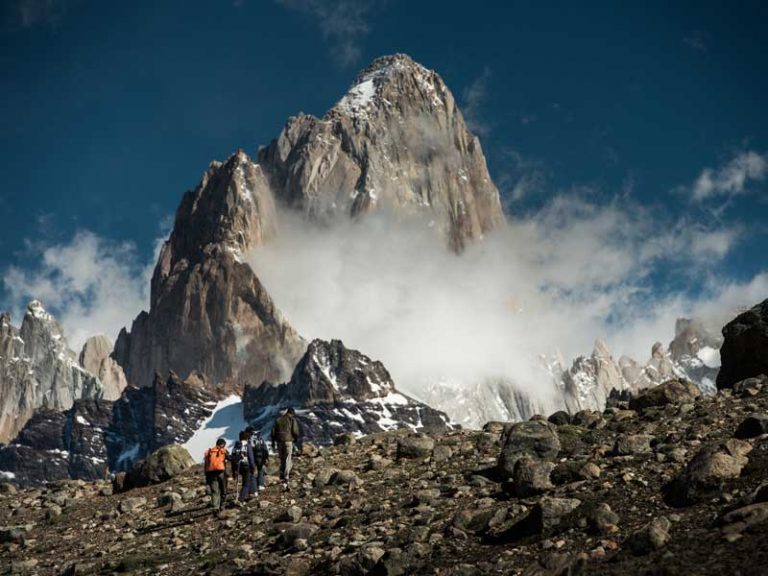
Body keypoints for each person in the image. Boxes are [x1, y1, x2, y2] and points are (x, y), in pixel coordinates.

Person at [271, 407, 301, 490]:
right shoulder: (291, 419)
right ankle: (286, 476)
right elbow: (295, 431)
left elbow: (273, 432)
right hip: (288, 440)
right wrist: (296, 438)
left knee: (282, 458)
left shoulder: (278, 419)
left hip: (279, 441)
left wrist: (273, 442)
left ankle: (281, 474)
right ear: (292, 413)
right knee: (288, 458)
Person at [203, 438, 229, 513]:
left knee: (215, 491)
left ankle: (215, 507)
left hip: (211, 474)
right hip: (221, 473)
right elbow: (230, 458)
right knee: (223, 490)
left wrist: (207, 476)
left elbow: (206, 465)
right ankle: (222, 506)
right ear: (223, 444)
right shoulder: (224, 451)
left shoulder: (210, 452)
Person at [232, 430, 255, 504]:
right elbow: (251, 458)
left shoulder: (236, 446)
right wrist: (253, 467)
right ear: (247, 438)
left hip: (238, 465)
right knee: (246, 483)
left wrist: (234, 471)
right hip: (246, 465)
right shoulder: (247, 446)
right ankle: (240, 499)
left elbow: (233, 458)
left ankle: (250, 493)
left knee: (245, 481)